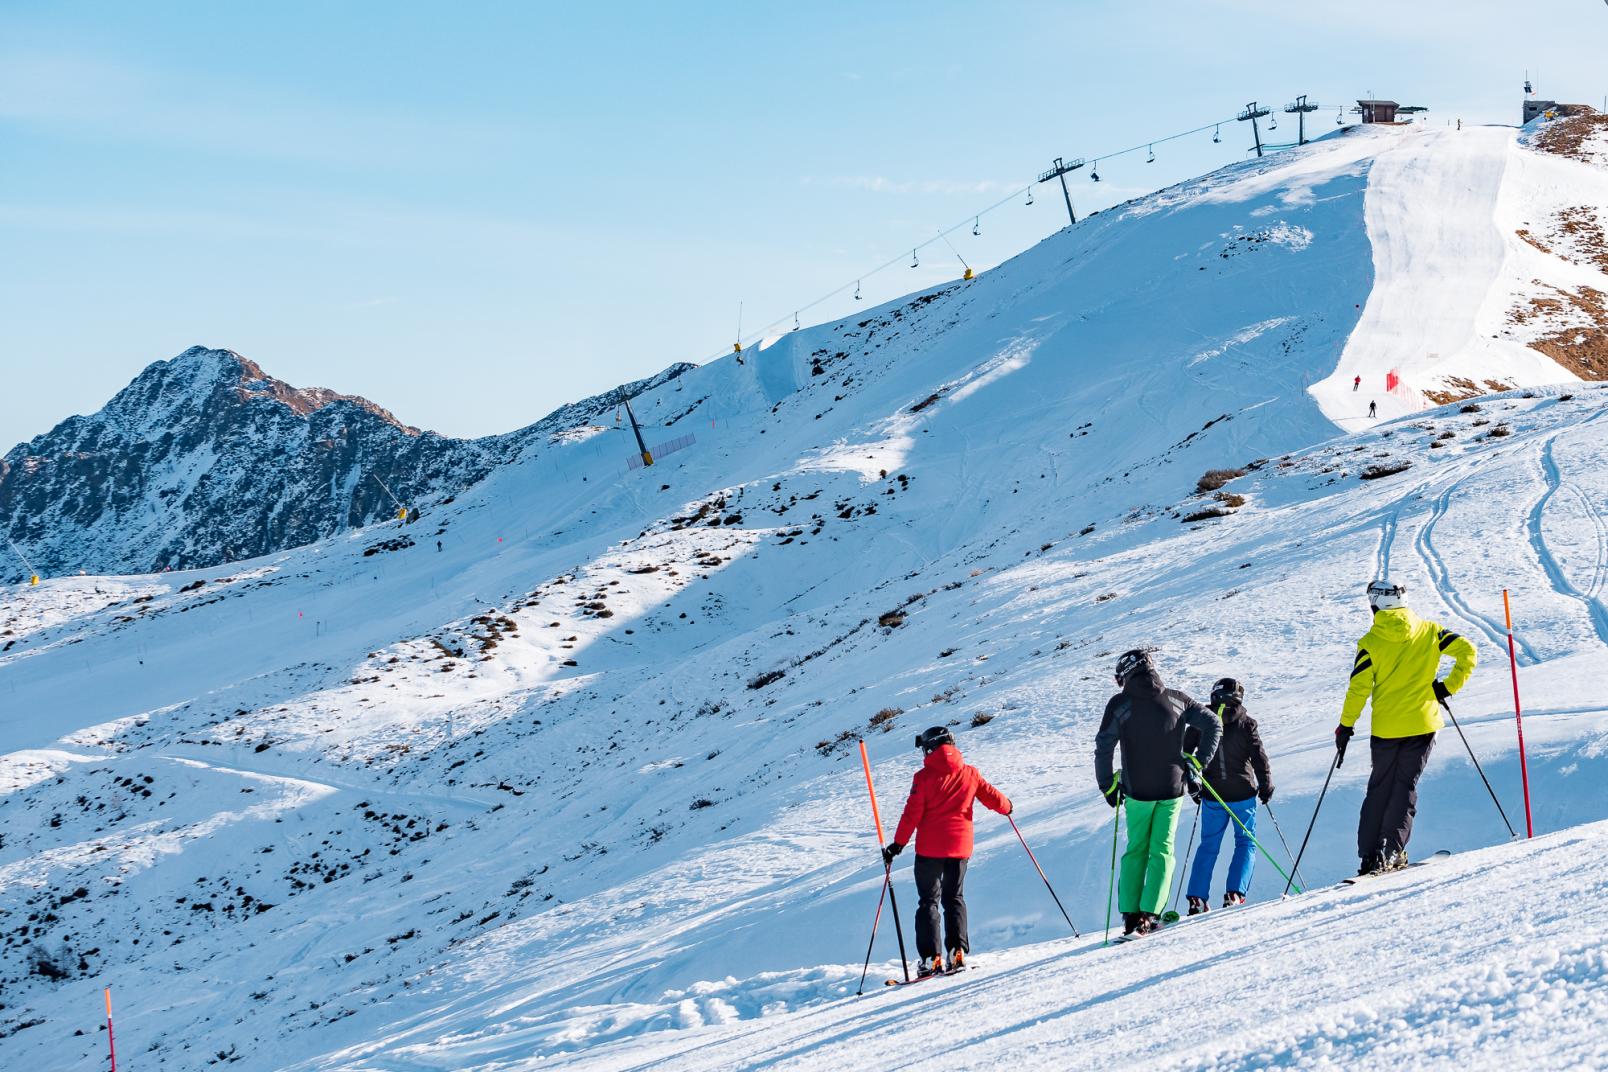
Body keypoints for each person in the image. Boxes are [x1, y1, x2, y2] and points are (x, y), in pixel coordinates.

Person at [1337, 581, 1477, 875]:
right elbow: (1468, 651)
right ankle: (1391, 852)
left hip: (1387, 729)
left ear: (1376, 605)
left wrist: (1345, 726)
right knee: (1404, 787)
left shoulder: (1370, 643)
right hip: (1423, 725)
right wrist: (1446, 687)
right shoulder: (1430, 632)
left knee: (1379, 789)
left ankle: (1370, 856)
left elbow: (1358, 689)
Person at [1094, 650, 1221, 937]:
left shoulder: (1119, 704)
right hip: (1172, 788)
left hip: (1136, 791)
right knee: (1162, 851)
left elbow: (1103, 746)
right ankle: (1150, 915)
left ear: (1126, 674)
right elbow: (1214, 723)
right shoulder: (1176, 699)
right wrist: (1197, 763)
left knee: (1136, 849)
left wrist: (1108, 786)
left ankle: (1130, 916)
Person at [883, 726, 1012, 976]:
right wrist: (1007, 807)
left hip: (930, 849)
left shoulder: (923, 778)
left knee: (928, 902)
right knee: (954, 898)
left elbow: (912, 814)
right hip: (960, 847)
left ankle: (932, 958)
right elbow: (991, 796)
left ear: (930, 748)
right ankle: (958, 952)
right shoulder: (970, 773)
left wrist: (897, 845)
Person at [1183, 678, 1273, 915]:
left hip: (1213, 795)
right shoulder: (1247, 723)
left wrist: (1192, 783)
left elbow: (1184, 755)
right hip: (1242, 794)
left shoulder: (1201, 722)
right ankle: (1235, 893)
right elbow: (1258, 757)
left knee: (1208, 846)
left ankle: (1196, 899)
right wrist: (1266, 785)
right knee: (1245, 842)